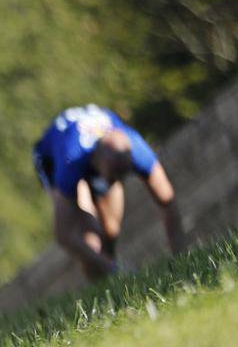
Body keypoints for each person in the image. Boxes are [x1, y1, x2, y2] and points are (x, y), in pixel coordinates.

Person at [32, 104, 187, 280]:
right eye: (113, 176)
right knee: (91, 236)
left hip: (93, 155)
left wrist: (179, 257)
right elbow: (63, 235)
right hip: (54, 159)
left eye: (121, 176)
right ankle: (102, 283)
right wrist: (113, 268)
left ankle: (111, 279)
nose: (116, 180)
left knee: (111, 230)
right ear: (99, 162)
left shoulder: (137, 150)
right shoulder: (71, 163)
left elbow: (167, 201)